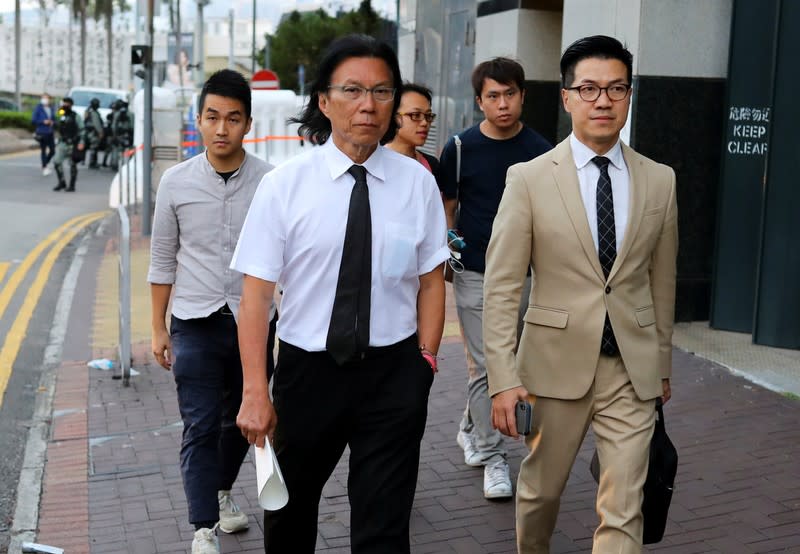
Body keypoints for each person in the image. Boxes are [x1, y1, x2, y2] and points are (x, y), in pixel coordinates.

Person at [232, 34, 449, 554]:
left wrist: (426, 361)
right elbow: (256, 299)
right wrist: (255, 391)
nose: (367, 105)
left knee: (385, 525)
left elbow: (432, 281)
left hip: (394, 374)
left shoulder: (416, 184)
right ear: (324, 101)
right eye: (352, 89)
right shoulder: (285, 185)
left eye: (381, 91)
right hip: (309, 374)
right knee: (289, 515)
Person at [483, 35, 678, 553]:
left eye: (616, 88)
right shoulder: (527, 179)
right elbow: (503, 287)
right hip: (552, 366)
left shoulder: (660, 181)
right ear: (567, 97)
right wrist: (502, 379)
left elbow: (662, 281)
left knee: (624, 505)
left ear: (630, 95)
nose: (603, 100)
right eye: (589, 88)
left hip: (629, 371)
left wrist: (661, 364)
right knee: (541, 495)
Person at [148, 69, 275, 554]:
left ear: (248, 124)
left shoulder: (269, 181)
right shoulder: (175, 182)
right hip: (194, 322)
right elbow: (161, 261)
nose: (222, 129)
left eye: (233, 119)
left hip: (255, 323)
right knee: (200, 424)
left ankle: (221, 491)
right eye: (212, 118)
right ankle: (204, 527)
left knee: (247, 419)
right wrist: (157, 328)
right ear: (198, 121)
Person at [439, 57, 551, 499]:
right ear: (479, 101)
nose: (502, 104)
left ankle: (470, 426)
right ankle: (491, 456)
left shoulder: (543, 151)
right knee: (488, 365)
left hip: (527, 276)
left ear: (523, 95)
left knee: (516, 365)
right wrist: (449, 255)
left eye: (509, 94)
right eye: (492, 96)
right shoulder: (461, 148)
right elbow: (449, 206)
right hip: (476, 273)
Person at [384, 82, 440, 186]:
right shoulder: (374, 162)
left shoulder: (432, 165)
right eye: (415, 115)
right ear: (394, 117)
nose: (424, 123)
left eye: (428, 115)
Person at [51, 97, 85, 192]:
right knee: (57, 161)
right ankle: (62, 182)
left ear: (71, 105)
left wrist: (81, 142)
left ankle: (72, 185)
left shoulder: (75, 116)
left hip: (72, 144)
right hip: (62, 143)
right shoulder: (61, 114)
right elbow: (55, 122)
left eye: (67, 103)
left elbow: (82, 130)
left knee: (72, 164)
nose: (65, 105)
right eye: (64, 103)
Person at [31, 93, 56, 176]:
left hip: (50, 132)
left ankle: (45, 163)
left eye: (46, 98)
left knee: (53, 150)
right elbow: (33, 120)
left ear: (49, 99)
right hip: (42, 132)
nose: (45, 99)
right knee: (43, 150)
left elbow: (54, 119)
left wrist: (52, 122)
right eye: (43, 98)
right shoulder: (38, 108)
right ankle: (44, 167)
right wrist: (43, 121)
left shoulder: (51, 108)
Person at [109, 100, 134, 170]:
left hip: (119, 135)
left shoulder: (117, 113)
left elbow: (113, 126)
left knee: (117, 149)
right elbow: (132, 126)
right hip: (128, 134)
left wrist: (114, 135)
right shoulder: (131, 114)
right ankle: (129, 165)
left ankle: (115, 164)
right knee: (130, 149)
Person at [83, 97, 105, 169]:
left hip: (90, 132)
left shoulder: (89, 111)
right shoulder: (94, 113)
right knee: (94, 148)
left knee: (92, 147)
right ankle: (92, 162)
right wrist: (100, 132)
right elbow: (97, 124)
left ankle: (91, 162)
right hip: (93, 133)